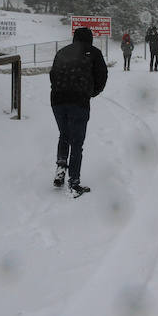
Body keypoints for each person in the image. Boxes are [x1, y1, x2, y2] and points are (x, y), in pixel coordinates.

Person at [50, 27, 108, 197]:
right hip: (79, 101)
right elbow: (102, 76)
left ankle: (61, 168)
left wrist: (60, 90)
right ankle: (74, 183)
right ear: (90, 38)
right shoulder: (94, 53)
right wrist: (90, 93)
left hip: (57, 100)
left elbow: (53, 75)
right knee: (77, 142)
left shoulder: (62, 52)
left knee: (64, 135)